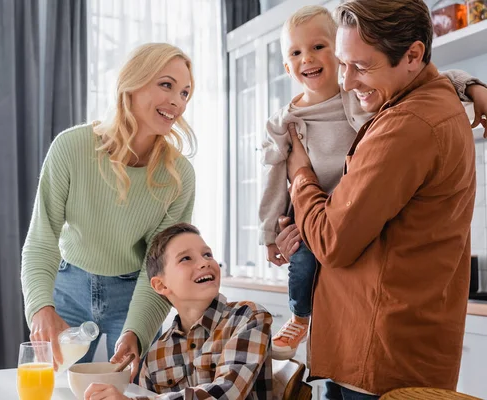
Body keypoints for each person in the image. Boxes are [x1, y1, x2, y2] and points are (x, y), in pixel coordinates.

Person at [276, 0, 487, 398]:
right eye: (343, 63)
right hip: (373, 351)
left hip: (377, 359)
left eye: (361, 66)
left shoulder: (408, 124)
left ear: (413, 55)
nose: (347, 81)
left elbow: (332, 241)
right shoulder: (419, 102)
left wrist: (299, 173)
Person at [21, 42, 197, 375]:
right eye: (166, 85)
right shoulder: (71, 148)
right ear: (132, 83)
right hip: (68, 287)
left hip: (135, 294)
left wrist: (137, 331)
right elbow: (42, 240)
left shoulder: (179, 177)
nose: (177, 101)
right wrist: (41, 308)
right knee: (55, 386)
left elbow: (158, 267)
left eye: (185, 93)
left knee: (132, 389)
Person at [83, 223, 273, 400]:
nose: (204, 263)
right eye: (186, 258)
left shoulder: (248, 317)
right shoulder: (155, 355)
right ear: (161, 284)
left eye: (207, 254)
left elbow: (226, 393)